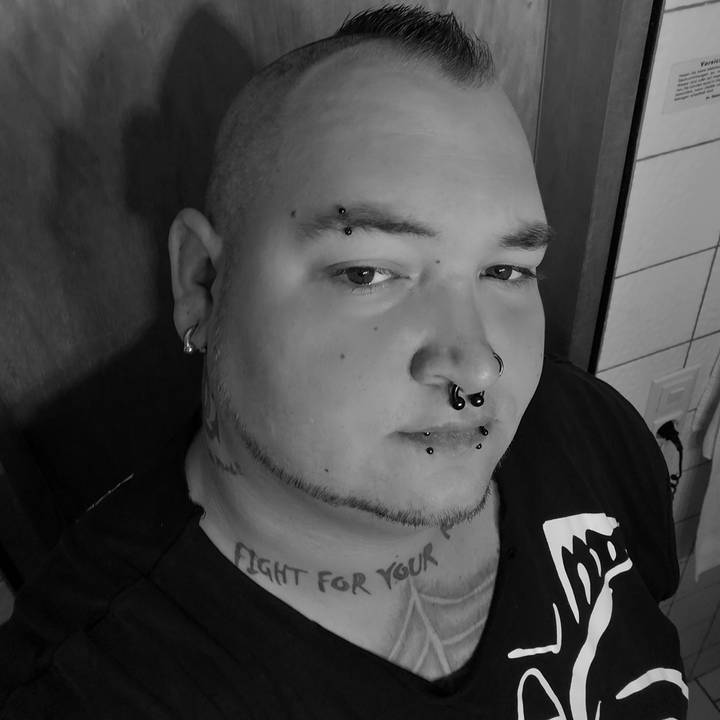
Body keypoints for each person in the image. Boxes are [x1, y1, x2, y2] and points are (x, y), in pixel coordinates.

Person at [0, 5, 687, 718]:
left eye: (508, 271)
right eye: (367, 272)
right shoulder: (91, 687)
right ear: (202, 281)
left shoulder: (587, 429)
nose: (477, 367)